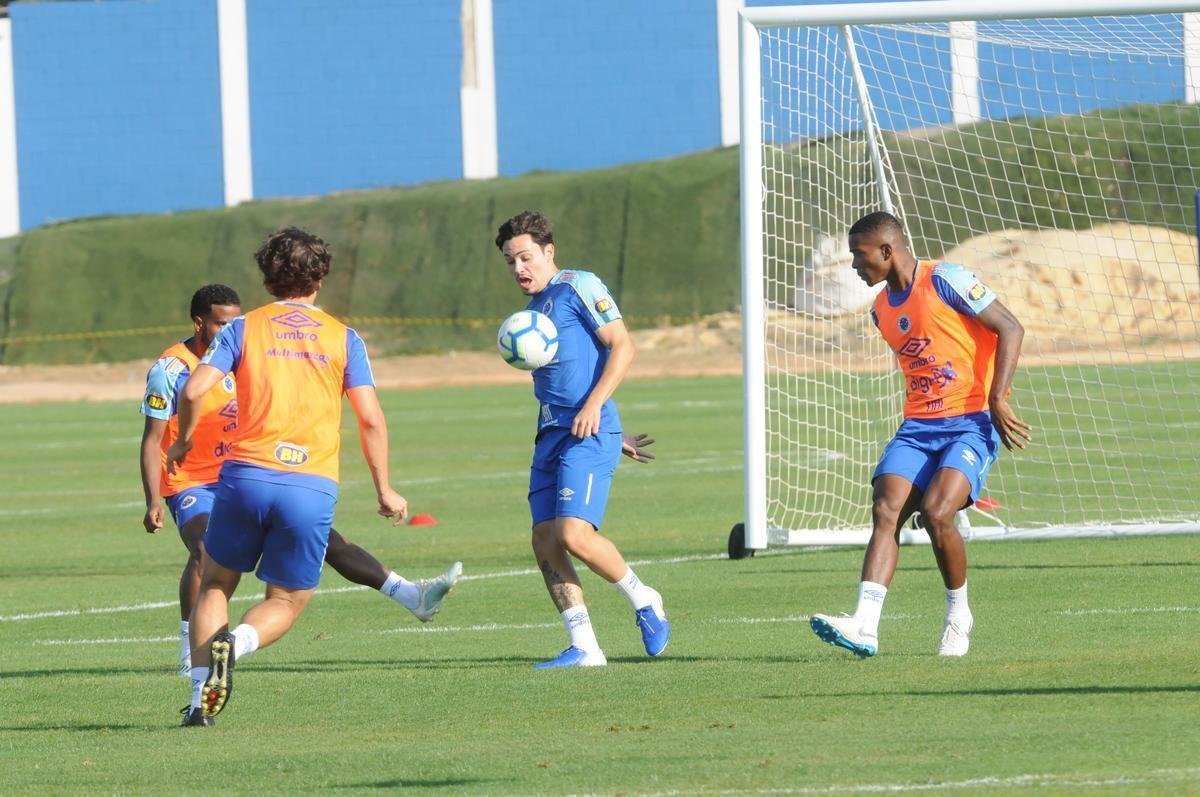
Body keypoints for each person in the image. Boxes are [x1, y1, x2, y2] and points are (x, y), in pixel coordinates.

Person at [139, 285, 462, 705]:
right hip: (192, 482)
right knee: (205, 550)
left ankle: (411, 596)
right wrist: (152, 497)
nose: (227, 328)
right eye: (220, 322)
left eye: (231, 320)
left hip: (245, 474)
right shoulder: (171, 368)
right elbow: (152, 439)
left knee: (327, 540)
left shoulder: (242, 351)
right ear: (199, 322)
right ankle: (191, 654)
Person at [167, 229, 411, 725]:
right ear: (320, 276)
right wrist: (384, 487)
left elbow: (193, 392)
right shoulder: (344, 337)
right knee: (286, 599)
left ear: (267, 276)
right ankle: (234, 646)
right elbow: (370, 419)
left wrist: (185, 440)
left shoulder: (243, 329)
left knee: (215, 583)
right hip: (310, 484)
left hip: (245, 475)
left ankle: (199, 703)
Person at [809, 211, 1032, 658]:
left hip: (971, 422)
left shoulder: (946, 279)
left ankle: (958, 614)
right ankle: (865, 627)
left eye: (859, 254)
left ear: (887, 252)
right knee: (886, 508)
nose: (854, 264)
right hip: (918, 428)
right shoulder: (880, 310)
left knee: (935, 513)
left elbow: (1010, 327)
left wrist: (998, 397)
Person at [495, 210, 670, 668]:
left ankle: (644, 599)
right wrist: (612, 428)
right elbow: (562, 382)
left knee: (573, 533)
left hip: (587, 431)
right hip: (553, 434)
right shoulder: (530, 313)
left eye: (527, 257)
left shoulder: (579, 285)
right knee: (544, 540)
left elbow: (623, 345)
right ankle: (585, 646)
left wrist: (598, 411)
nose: (519, 269)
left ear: (549, 252)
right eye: (511, 261)